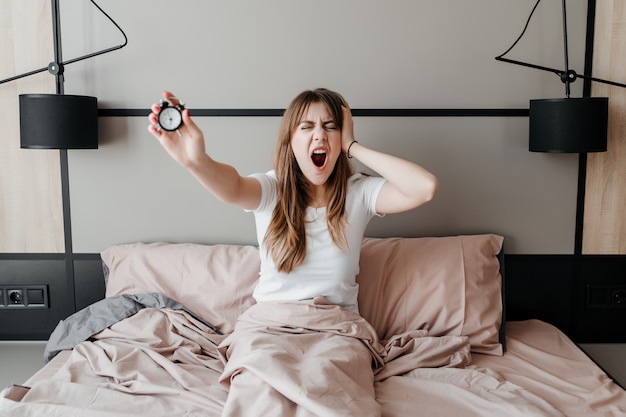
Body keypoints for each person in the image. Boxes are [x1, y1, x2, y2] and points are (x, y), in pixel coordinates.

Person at [148, 88, 438, 416]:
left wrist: (353, 146)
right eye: (307, 127)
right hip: (267, 329)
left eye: (330, 126)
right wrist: (195, 161)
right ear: (290, 140)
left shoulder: (359, 193)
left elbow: (424, 187)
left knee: (334, 397)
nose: (320, 135)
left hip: (337, 331)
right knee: (260, 395)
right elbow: (231, 187)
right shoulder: (271, 189)